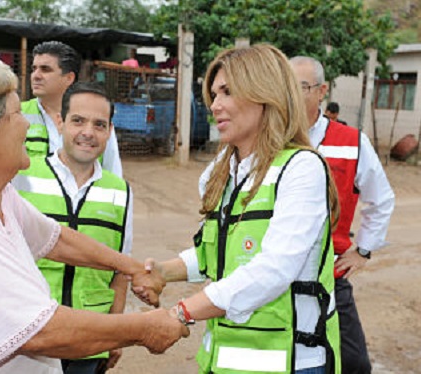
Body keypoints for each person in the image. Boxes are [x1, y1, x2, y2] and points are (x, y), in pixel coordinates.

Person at [0, 49, 188, 374]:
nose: (27, 124)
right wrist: (143, 328)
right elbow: (40, 332)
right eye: (16, 114)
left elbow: (54, 238)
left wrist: (133, 267)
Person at [135, 44, 342, 373]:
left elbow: (274, 269)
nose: (215, 106)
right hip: (223, 361)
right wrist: (165, 271)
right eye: (214, 94)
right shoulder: (223, 170)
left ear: (266, 94)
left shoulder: (301, 168)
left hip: (291, 363)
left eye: (228, 92)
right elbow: (216, 252)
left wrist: (181, 312)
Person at [13, 82, 132, 374]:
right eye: (78, 121)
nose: (88, 133)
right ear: (60, 122)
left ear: (109, 131)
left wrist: (114, 332)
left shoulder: (121, 192)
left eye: (99, 124)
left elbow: (121, 272)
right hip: (30, 336)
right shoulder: (22, 177)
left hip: (88, 341)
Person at [290, 56, 395, 374]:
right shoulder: (268, 138)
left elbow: (382, 199)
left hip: (328, 275)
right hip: (278, 275)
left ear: (322, 91)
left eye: (302, 87)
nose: (292, 95)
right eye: (286, 86)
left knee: (353, 364)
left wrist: (362, 249)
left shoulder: (352, 142)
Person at [24, 41, 123, 177]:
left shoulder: (97, 119)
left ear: (69, 78)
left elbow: (113, 173)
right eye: (34, 69)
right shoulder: (15, 114)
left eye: (45, 69)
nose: (36, 75)